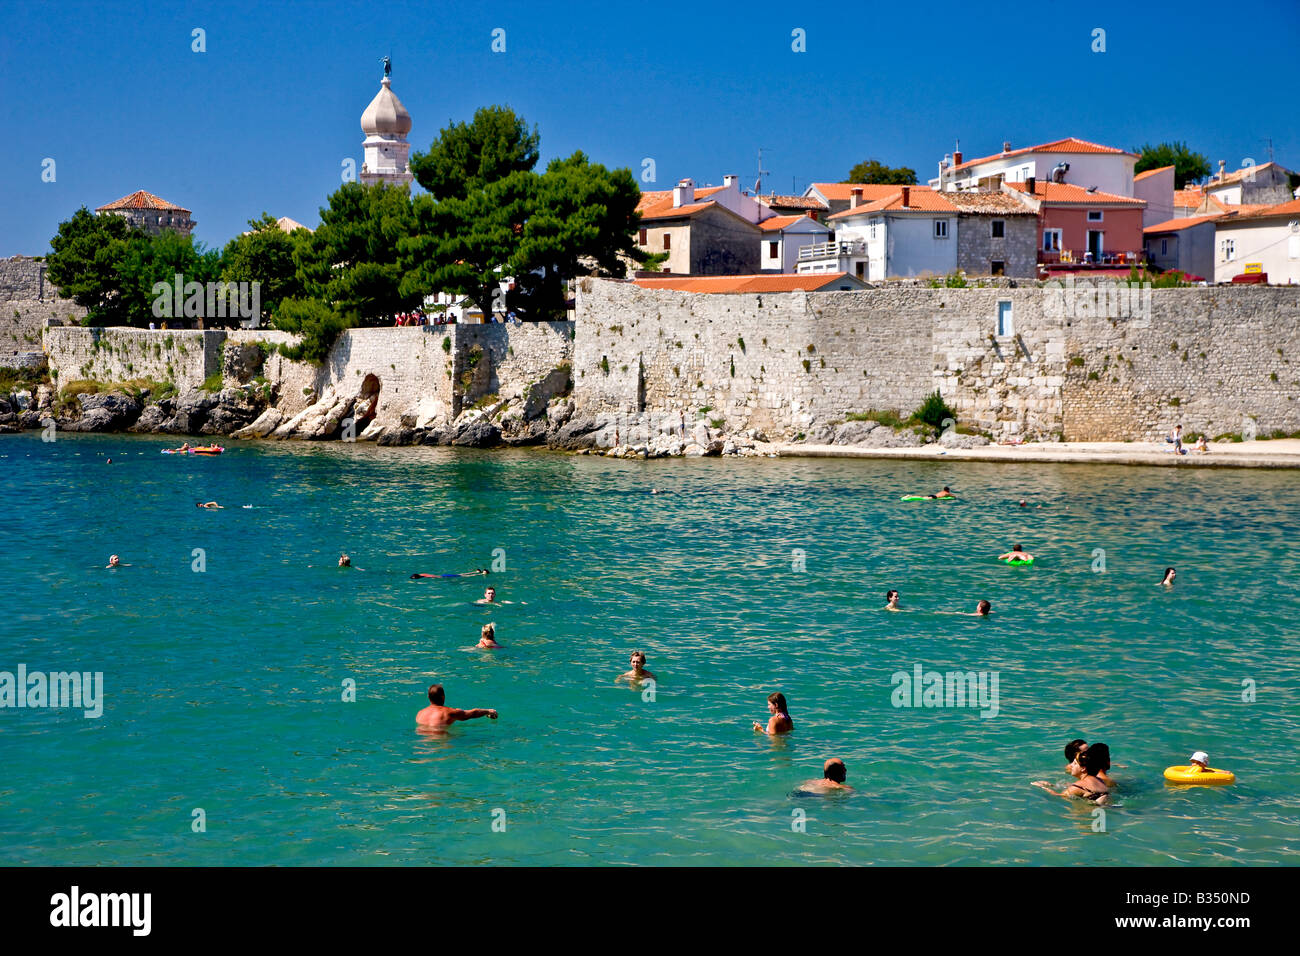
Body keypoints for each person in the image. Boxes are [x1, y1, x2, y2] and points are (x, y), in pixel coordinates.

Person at [1033, 742, 1111, 803]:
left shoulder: (1078, 786)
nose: (1071, 766)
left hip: (1087, 814)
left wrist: (1042, 787)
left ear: (1083, 768)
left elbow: (1057, 796)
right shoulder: (1099, 780)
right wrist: (1051, 785)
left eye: (1075, 764)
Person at [415, 683, 498, 730]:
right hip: (442, 744)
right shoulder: (449, 712)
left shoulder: (420, 714)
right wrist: (488, 711)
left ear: (428, 697)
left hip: (423, 743)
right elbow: (472, 713)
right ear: (443, 697)